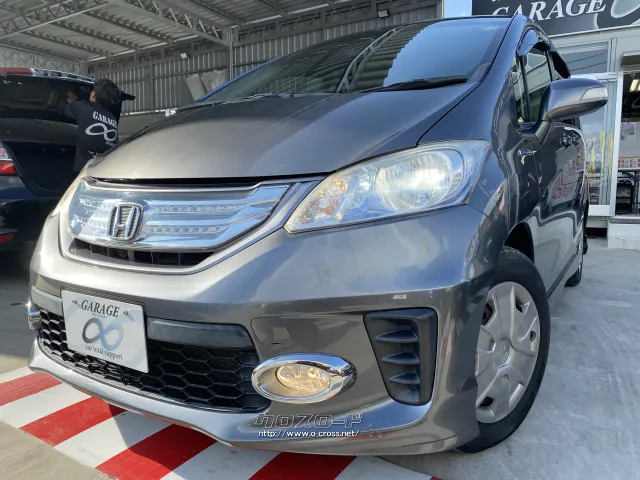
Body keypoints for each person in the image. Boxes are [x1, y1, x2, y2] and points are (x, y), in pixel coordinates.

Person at [63, 78, 122, 173]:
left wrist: (71, 97)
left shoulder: (82, 107)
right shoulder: (112, 118)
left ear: (93, 94)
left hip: (83, 172)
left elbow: (65, 108)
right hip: (105, 170)